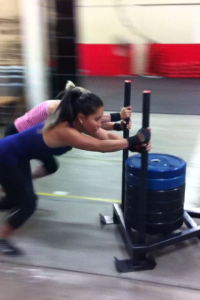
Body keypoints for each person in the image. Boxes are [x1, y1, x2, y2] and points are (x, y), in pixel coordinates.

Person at [0, 88, 151, 256]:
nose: (99, 123)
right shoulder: (65, 131)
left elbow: (107, 137)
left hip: (16, 156)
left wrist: (134, 146)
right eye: (97, 119)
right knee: (28, 204)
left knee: (16, 199)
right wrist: (134, 140)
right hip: (5, 157)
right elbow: (101, 147)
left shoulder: (78, 122)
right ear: (81, 117)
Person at [4, 81, 132, 179]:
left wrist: (118, 126)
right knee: (21, 176)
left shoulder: (69, 110)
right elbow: (93, 122)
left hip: (32, 137)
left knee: (50, 167)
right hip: (17, 133)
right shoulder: (58, 108)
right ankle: (13, 188)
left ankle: (22, 183)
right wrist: (118, 116)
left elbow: (92, 123)